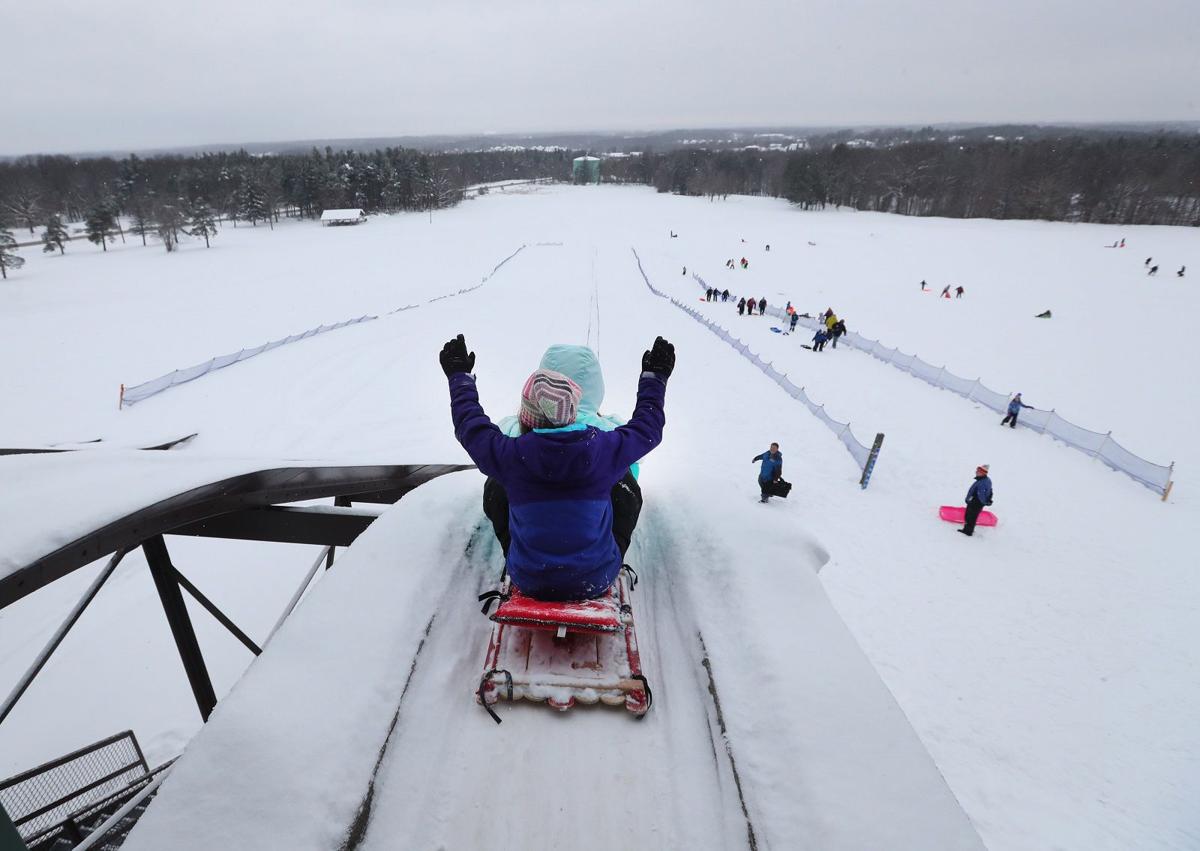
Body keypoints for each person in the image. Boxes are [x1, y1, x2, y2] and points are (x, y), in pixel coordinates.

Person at [442, 334, 674, 601]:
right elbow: (647, 428)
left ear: (526, 415)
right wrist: (654, 378)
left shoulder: (511, 456)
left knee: (496, 484)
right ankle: (602, 551)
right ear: (573, 411)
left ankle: (520, 552)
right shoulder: (603, 450)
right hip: (596, 577)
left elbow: (471, 427)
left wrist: (459, 377)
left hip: (529, 578)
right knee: (625, 483)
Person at [958, 465, 993, 536]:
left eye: (978, 471)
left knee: (970, 517)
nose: (976, 472)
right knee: (971, 516)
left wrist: (984, 502)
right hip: (976, 503)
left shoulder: (982, 483)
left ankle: (968, 531)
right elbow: (990, 491)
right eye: (977, 470)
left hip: (975, 503)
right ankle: (969, 529)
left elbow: (981, 495)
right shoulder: (986, 480)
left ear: (983, 473)